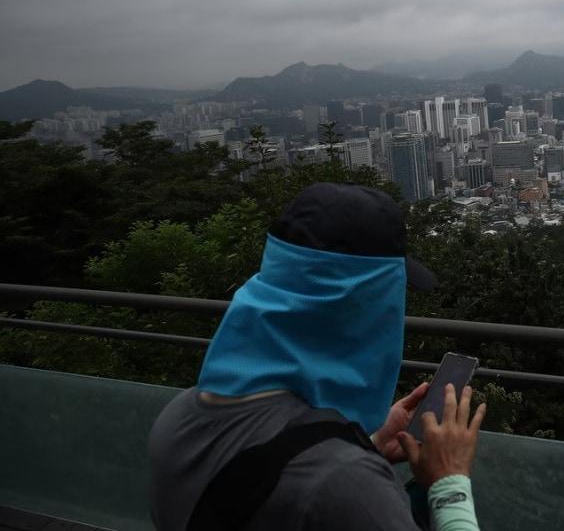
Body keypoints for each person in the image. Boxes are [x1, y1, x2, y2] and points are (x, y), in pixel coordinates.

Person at [148, 182, 486, 530]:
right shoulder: (347, 486)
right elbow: (322, 490)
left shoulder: (178, 418)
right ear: (363, 310)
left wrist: (365, 444)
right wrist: (450, 482)